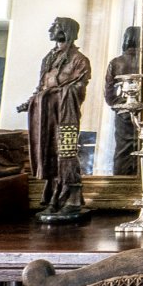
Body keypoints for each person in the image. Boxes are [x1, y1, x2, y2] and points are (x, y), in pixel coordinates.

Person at [18, 16, 92, 221]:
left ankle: (72, 199)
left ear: (67, 31)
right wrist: (32, 101)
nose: (50, 30)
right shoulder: (48, 58)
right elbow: (41, 87)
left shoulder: (79, 60)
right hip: (46, 115)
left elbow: (79, 89)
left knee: (66, 153)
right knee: (49, 152)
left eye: (56, 26)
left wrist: (55, 94)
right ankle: (54, 199)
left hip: (65, 114)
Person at [103, 26, 141, 175]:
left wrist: (123, 107)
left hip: (123, 115)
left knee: (122, 152)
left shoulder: (116, 62)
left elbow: (109, 95)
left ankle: (120, 181)